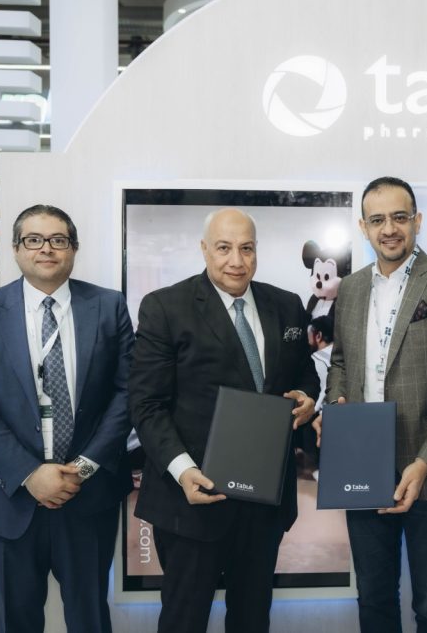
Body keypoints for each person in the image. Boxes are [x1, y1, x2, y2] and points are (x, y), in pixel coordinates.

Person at [129, 207, 318, 633]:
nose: (237, 260)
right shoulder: (165, 307)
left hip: (264, 503)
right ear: (204, 249)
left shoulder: (286, 305)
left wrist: (307, 398)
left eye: (247, 248)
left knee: (252, 620)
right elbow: (146, 404)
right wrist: (183, 471)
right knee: (183, 621)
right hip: (193, 499)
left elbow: (303, 374)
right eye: (224, 248)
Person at [0, 204, 135, 633]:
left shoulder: (109, 307)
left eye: (58, 240)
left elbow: (128, 392)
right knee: (16, 621)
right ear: (16, 249)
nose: (46, 249)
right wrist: (30, 473)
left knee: (90, 619)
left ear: (74, 248)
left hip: (87, 493)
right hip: (9, 497)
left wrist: (83, 467)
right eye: (33, 240)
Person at [316, 176, 427, 632]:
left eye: (399, 217)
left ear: (417, 221)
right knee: (373, 599)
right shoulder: (351, 289)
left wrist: (424, 462)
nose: (389, 229)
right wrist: (336, 405)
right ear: (363, 227)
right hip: (362, 466)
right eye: (377, 220)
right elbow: (341, 362)